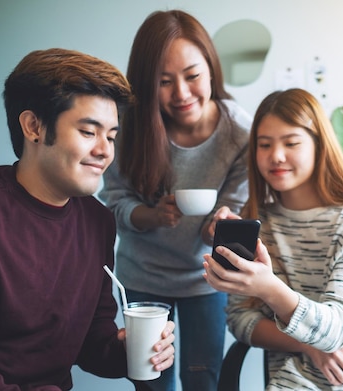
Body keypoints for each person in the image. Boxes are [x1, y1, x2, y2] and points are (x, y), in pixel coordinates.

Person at [203, 88, 343, 390]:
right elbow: (240, 320)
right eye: (264, 144)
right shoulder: (260, 225)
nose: (277, 156)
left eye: (291, 142)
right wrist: (307, 345)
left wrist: (269, 288)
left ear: (319, 146)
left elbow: (338, 331)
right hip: (295, 380)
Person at [0, 48, 176, 391]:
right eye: (89, 132)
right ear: (34, 127)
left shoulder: (98, 222)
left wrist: (130, 349)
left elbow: (92, 342)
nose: (105, 151)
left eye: (111, 136)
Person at [99, 9, 251, 391]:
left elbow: (237, 207)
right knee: (152, 382)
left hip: (206, 280)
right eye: (164, 82)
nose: (181, 93)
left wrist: (222, 226)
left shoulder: (240, 133)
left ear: (212, 68)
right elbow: (113, 201)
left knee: (204, 382)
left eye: (193, 76)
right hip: (143, 277)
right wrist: (150, 216)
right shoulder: (127, 126)